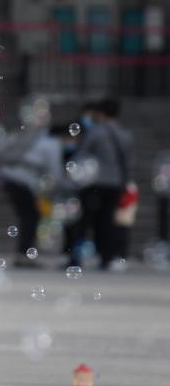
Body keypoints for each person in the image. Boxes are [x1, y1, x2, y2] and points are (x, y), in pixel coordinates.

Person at [67, 98, 134, 271]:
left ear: (101, 113)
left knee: (84, 220)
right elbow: (127, 163)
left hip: (95, 183)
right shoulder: (125, 134)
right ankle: (106, 258)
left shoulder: (96, 132)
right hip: (115, 183)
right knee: (107, 220)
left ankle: (75, 258)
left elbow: (81, 155)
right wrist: (124, 183)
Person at [0, 104, 63, 267]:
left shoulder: (22, 134)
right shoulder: (50, 142)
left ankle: (24, 253)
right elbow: (55, 170)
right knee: (31, 217)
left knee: (29, 216)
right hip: (22, 181)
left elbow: (1, 151)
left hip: (7, 177)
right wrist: (57, 186)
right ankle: (24, 255)